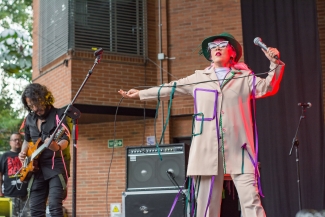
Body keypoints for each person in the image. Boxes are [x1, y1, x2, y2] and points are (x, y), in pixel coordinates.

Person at [118, 32, 285, 217]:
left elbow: (268, 87)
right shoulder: (199, 77)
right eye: (213, 47)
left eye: (222, 45)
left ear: (232, 53)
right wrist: (141, 94)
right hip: (206, 150)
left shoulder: (244, 77)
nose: (217, 48)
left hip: (240, 148)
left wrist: (274, 64)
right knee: (205, 207)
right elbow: (170, 88)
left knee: (251, 202)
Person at [18, 83, 71, 217]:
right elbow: (27, 140)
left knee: (54, 207)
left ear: (45, 98)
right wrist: (23, 153)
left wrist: (57, 146)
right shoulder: (29, 119)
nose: (35, 108)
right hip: (35, 169)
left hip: (56, 167)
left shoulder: (60, 114)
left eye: (37, 104)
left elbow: (65, 138)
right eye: (31, 106)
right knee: (35, 210)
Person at [0, 132, 31, 217]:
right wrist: (0, 192)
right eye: (15, 140)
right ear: (10, 142)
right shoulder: (4, 156)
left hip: (26, 195)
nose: (17, 141)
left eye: (19, 139)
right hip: (9, 195)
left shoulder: (27, 155)